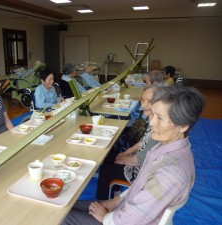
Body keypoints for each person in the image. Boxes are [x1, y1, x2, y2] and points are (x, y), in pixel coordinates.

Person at [61, 85, 205, 225]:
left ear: (183, 126)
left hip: (122, 220)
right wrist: (116, 201)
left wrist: (106, 218)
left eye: (160, 118)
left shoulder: (171, 173)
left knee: (58, 218)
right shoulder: (164, 147)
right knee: (63, 208)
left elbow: (130, 219)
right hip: (124, 208)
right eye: (153, 114)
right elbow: (140, 186)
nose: (152, 122)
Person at [96, 85, 159, 200]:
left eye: (148, 101)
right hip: (138, 158)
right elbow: (142, 142)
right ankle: (114, 193)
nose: (143, 105)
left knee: (105, 170)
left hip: (142, 170)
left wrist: (123, 159)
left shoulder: (158, 126)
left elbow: (141, 160)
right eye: (142, 100)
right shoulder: (153, 119)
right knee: (107, 158)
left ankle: (103, 203)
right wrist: (125, 153)